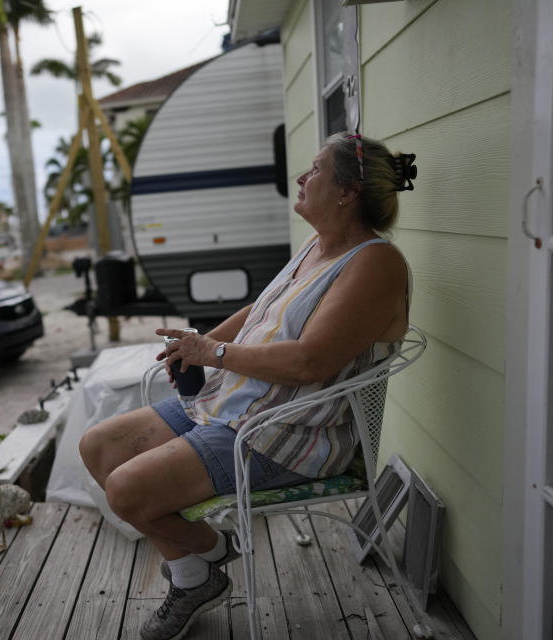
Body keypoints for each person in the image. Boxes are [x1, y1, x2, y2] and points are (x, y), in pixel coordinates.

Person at [79, 132, 417, 640]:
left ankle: (208, 556)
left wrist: (211, 354)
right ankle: (199, 572)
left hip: (283, 432)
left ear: (346, 192)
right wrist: (198, 343)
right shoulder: (316, 247)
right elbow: (261, 310)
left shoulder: (375, 264)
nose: (303, 178)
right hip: (229, 404)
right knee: (99, 446)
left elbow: (310, 363)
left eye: (317, 169)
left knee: (127, 489)